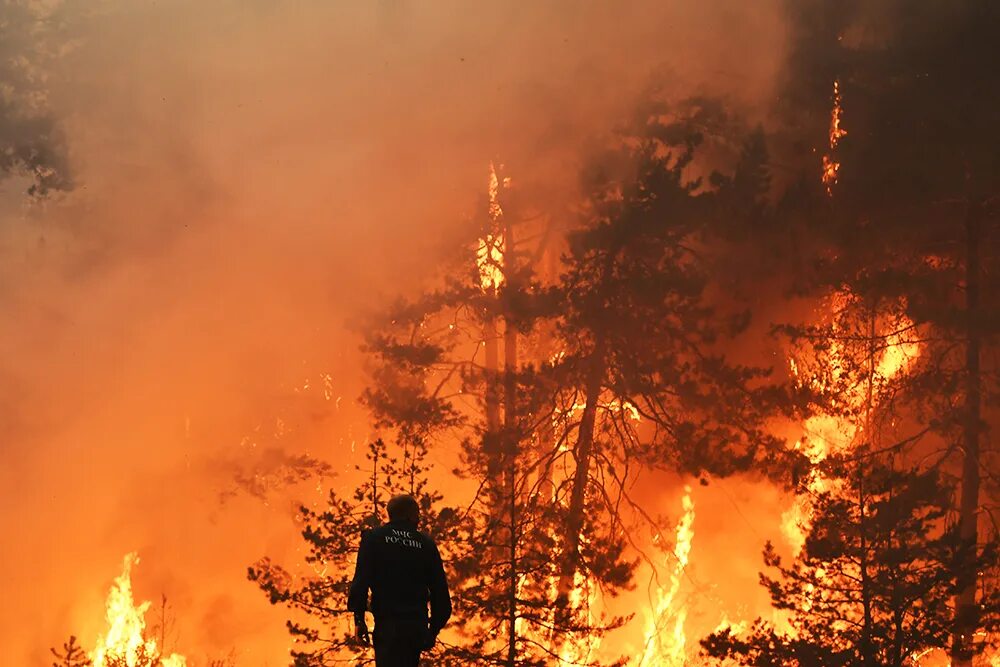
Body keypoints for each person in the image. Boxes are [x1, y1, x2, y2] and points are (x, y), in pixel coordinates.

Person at [348, 494, 452, 666]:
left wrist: (359, 620)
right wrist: (432, 631)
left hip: (387, 626)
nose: (419, 519)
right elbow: (440, 592)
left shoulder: (373, 539)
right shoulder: (426, 544)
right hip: (415, 627)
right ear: (410, 515)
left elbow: (361, 581)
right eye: (417, 514)